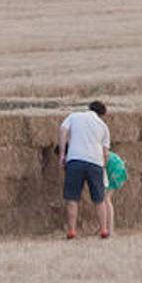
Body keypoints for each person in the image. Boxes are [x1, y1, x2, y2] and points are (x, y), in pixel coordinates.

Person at [59, 101, 114, 239]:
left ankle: (71, 231)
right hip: (95, 163)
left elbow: (63, 131)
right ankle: (104, 230)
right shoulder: (103, 126)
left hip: (75, 160)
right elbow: (105, 153)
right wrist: (103, 167)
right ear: (102, 115)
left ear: (89, 109)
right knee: (99, 199)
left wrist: (62, 155)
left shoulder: (74, 116)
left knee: (72, 198)